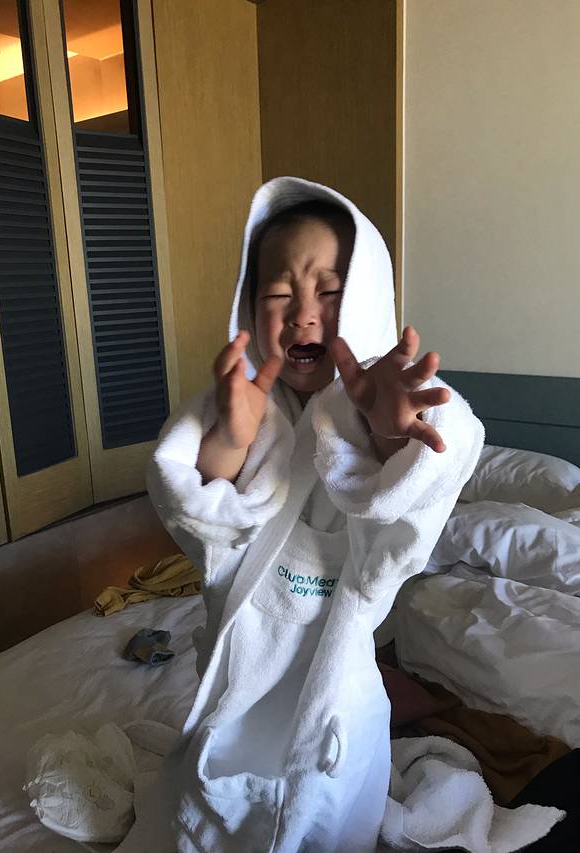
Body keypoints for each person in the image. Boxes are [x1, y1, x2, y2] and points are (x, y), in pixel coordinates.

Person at [144, 176, 484, 852]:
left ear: (366, 303)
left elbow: (416, 496)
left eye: (330, 292)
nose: (304, 314)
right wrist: (231, 438)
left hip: (335, 678)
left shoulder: (386, 405)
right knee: (206, 801)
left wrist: (389, 435)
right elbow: (203, 516)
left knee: (328, 811)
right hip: (242, 660)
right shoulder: (238, 403)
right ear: (248, 306)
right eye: (278, 294)